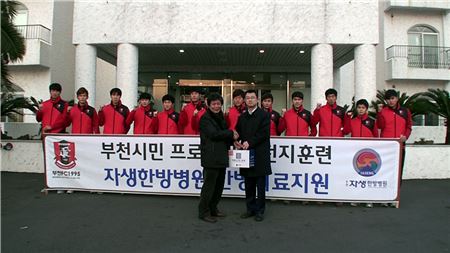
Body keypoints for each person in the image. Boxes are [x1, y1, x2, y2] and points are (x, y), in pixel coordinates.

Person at [198, 93, 239, 223]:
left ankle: (213, 208)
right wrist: (231, 133)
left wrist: (233, 142)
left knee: (219, 186)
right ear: (208, 105)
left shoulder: (221, 116)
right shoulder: (205, 118)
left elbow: (224, 135)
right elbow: (214, 134)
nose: (216, 106)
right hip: (211, 157)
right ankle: (203, 212)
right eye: (213, 104)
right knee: (209, 187)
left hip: (221, 156)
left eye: (218, 104)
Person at [235, 90, 272, 222]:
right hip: (246, 155)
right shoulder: (242, 116)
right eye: (247, 98)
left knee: (260, 185)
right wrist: (236, 141)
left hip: (260, 154)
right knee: (248, 183)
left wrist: (249, 142)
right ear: (245, 101)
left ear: (257, 99)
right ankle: (250, 209)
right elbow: (238, 132)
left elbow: (264, 134)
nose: (250, 100)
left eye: (252, 98)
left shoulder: (264, 115)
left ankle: (260, 211)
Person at [312, 88, 345, 206]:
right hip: (324, 145)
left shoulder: (341, 111)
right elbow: (313, 122)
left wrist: (340, 133)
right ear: (326, 98)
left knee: (337, 171)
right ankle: (322, 195)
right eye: (329, 96)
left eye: (333, 96)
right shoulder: (321, 110)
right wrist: (316, 110)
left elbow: (347, 127)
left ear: (336, 97)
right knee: (323, 171)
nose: (331, 98)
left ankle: (337, 196)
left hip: (337, 145)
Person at [343, 99, 378, 208]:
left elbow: (376, 137)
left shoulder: (372, 121)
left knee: (368, 176)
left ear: (366, 109)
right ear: (356, 109)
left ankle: (369, 199)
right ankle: (356, 198)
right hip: (356, 154)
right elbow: (346, 131)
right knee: (356, 176)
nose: (361, 109)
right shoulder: (352, 121)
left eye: (363, 108)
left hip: (368, 153)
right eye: (359, 107)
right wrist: (348, 118)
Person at [377, 89, 412, 191]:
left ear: (397, 98)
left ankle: (395, 195)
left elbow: (409, 126)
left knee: (398, 171)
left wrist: (406, 136)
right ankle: (384, 194)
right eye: (388, 99)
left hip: (400, 146)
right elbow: (380, 126)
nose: (390, 101)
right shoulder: (383, 111)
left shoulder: (405, 111)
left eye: (392, 98)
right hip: (386, 147)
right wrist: (379, 113)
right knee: (384, 170)